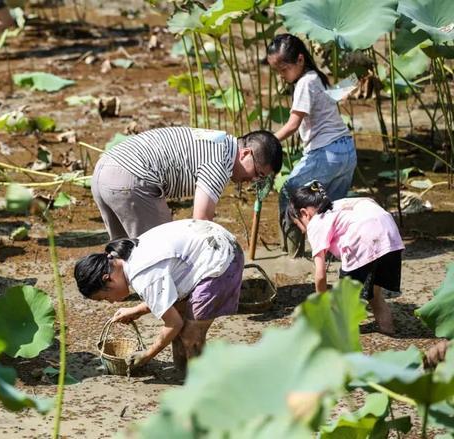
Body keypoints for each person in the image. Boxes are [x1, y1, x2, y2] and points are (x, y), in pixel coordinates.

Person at [74, 219, 244, 373]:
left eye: (104, 297)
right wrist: (137, 310)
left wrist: (148, 355)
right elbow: (166, 294)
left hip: (222, 258)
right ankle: (183, 374)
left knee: (190, 334)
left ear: (108, 279)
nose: (110, 301)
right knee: (180, 326)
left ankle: (202, 387)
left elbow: (173, 323)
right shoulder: (125, 257)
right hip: (212, 242)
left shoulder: (141, 276)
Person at [92, 127, 283, 239]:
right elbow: (202, 222)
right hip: (131, 178)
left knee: (122, 250)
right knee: (162, 250)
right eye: (258, 173)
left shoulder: (218, 139)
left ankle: (125, 299)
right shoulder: (221, 160)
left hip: (103, 169)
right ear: (246, 153)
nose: (253, 181)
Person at [267, 34, 356, 257]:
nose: (282, 75)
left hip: (326, 154)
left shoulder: (304, 83)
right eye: (277, 71)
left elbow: (293, 124)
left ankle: (292, 254)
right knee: (329, 209)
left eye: (284, 69)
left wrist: (266, 141)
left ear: (299, 60)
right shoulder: (317, 77)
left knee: (289, 191)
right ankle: (334, 256)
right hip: (347, 151)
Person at [288, 181, 404, 335]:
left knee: (344, 306)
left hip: (364, 241)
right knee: (375, 297)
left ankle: (346, 345)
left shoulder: (316, 222)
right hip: (391, 238)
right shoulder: (338, 205)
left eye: (298, 224)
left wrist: (321, 304)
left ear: (304, 213)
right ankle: (389, 332)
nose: (302, 231)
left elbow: (320, 274)